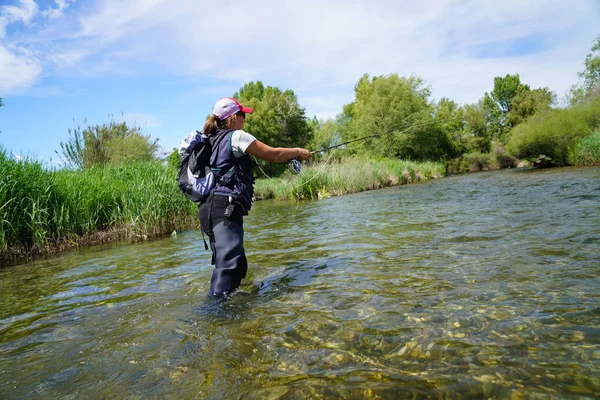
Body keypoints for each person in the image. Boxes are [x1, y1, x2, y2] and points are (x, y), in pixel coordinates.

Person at [199, 97, 311, 298]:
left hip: (209, 208)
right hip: (225, 207)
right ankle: (213, 314)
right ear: (233, 118)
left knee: (237, 263)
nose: (244, 120)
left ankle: (232, 306)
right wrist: (298, 152)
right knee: (228, 265)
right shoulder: (236, 136)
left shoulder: (210, 140)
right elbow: (273, 155)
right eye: (242, 115)